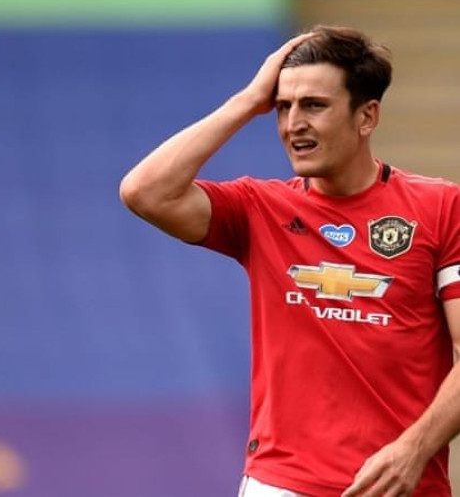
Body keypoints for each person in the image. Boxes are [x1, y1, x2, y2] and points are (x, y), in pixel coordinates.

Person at [119, 25, 460, 497]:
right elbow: (145, 192)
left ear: (366, 117)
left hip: (400, 485)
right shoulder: (260, 209)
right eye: (283, 107)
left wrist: (414, 449)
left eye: (314, 105)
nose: (293, 123)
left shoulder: (441, 209)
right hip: (282, 483)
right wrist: (248, 101)